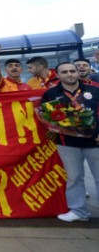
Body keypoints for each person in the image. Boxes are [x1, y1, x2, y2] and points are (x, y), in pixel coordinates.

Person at [41, 62, 99, 222]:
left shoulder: (94, 90)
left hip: (96, 141)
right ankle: (78, 211)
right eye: (64, 72)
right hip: (67, 143)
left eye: (72, 71)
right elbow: (46, 118)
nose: (70, 74)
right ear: (57, 75)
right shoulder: (51, 94)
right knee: (74, 177)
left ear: (77, 73)